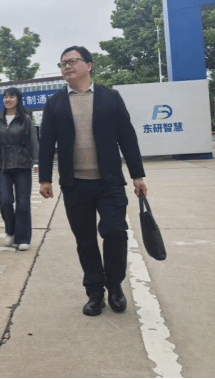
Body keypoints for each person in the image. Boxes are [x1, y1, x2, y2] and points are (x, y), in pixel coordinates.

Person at [39, 46, 148, 317]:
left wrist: (137, 175)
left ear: (89, 65)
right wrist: (45, 178)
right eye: (63, 63)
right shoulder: (55, 103)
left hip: (109, 182)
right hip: (75, 184)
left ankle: (115, 285)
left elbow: (127, 137)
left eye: (72, 61)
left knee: (115, 232)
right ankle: (95, 292)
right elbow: (46, 143)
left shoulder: (110, 98)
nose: (66, 66)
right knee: (85, 240)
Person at [0, 88, 39, 251]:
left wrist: (36, 161)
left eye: (11, 97)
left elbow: (33, 141)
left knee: (23, 203)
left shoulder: (25, 119)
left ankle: (23, 238)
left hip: (22, 164)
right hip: (2, 165)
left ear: (18, 99)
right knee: (5, 200)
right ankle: (10, 230)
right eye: (5, 97)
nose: (7, 100)